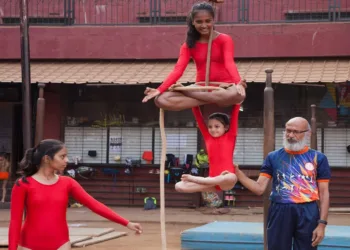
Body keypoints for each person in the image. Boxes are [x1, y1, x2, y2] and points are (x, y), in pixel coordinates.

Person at [8, 139, 143, 250]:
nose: (67, 160)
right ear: (46, 159)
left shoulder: (68, 183)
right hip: (29, 246)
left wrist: (127, 223)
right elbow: (15, 222)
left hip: (61, 245)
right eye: (62, 156)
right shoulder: (23, 184)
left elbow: (94, 205)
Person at [236, 117, 331, 250]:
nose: (290, 135)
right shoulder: (273, 157)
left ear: (307, 133)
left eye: (296, 132)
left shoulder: (319, 158)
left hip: (308, 211)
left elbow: (324, 192)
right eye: (288, 131)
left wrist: (322, 224)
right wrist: (238, 173)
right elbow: (259, 189)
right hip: (279, 209)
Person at [142, 1, 246, 110]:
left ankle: (194, 95)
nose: (204, 25)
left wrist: (239, 83)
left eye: (208, 21)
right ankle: (213, 99)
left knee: (238, 95)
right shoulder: (188, 45)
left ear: (213, 20)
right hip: (200, 87)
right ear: (193, 22)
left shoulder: (225, 39)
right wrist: (160, 89)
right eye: (199, 22)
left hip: (224, 87)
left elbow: (229, 63)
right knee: (160, 99)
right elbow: (178, 70)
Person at [176, 105, 240, 193]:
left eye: (217, 126)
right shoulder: (207, 137)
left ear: (226, 127)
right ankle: (204, 181)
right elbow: (198, 117)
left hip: (226, 180)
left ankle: (195, 179)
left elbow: (235, 115)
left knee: (232, 177)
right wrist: (194, 103)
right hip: (211, 181)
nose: (213, 129)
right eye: (210, 127)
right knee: (179, 186)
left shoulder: (230, 136)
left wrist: (238, 104)